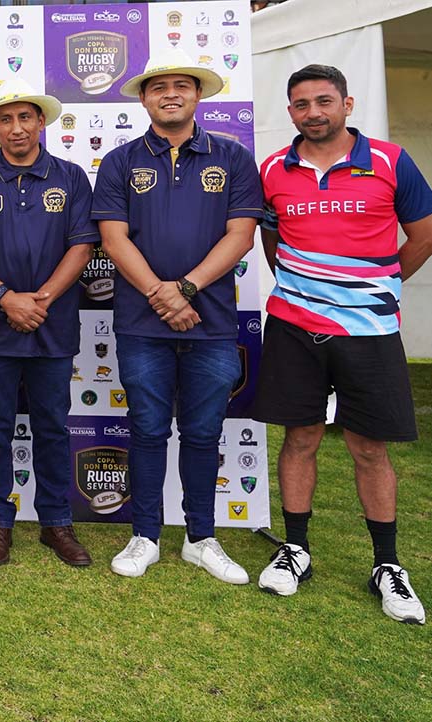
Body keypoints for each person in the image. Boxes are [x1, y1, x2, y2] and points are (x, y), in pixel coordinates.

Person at [254, 65, 432, 624]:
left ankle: (388, 565)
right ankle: (296, 549)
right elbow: (271, 238)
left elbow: (423, 234)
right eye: (302, 104)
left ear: (347, 104)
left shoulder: (390, 161)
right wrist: (305, 293)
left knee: (369, 448)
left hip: (369, 332)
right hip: (292, 327)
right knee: (299, 437)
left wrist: (375, 289)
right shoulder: (271, 169)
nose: (314, 112)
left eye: (324, 101)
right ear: (290, 112)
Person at [91, 48, 262, 584]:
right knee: (146, 430)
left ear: (198, 95)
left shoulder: (232, 156)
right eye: (158, 86)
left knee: (204, 432)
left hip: (210, 323)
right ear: (143, 99)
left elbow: (242, 234)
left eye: (181, 85)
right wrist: (160, 294)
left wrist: (185, 288)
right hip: (142, 323)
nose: (170, 93)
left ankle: (201, 538)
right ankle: (145, 535)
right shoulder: (120, 161)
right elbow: (112, 238)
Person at [0, 79, 97, 568]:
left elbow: (82, 246)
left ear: (41, 122)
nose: (16, 128)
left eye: (25, 118)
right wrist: (4, 297)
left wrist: (40, 301)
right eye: (6, 119)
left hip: (53, 326)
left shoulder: (72, 176)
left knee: (53, 427)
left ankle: (56, 522)